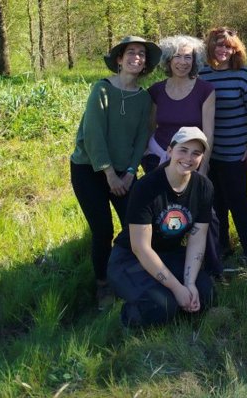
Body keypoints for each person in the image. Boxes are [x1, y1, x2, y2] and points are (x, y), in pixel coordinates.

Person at [70, 35, 161, 310]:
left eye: (142, 54)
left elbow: (141, 139)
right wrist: (110, 174)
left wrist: (130, 173)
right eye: (131, 52)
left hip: (125, 172)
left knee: (137, 226)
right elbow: (92, 135)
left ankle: (131, 274)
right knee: (102, 229)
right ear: (119, 59)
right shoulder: (102, 90)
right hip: (90, 169)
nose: (137, 57)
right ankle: (103, 284)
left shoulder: (144, 99)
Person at [107, 127, 215, 327]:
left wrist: (189, 284)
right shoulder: (146, 187)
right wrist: (177, 288)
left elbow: (197, 239)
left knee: (206, 293)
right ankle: (129, 312)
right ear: (170, 150)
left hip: (169, 253)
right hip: (130, 258)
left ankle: (169, 300)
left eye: (196, 153)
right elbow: (141, 248)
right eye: (183, 150)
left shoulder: (203, 187)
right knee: (163, 306)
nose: (189, 158)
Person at [198, 27, 247, 265]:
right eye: (218, 45)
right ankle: (223, 246)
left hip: (235, 152)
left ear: (235, 49)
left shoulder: (244, 75)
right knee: (216, 204)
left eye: (228, 46)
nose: (223, 50)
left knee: (239, 202)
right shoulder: (202, 75)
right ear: (210, 47)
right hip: (208, 154)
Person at [143, 36, 215, 175]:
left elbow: (209, 134)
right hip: (157, 158)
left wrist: (204, 167)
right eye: (177, 56)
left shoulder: (205, 90)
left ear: (194, 60)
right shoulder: (156, 90)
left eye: (188, 57)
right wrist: (144, 156)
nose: (183, 62)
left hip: (189, 161)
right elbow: (150, 128)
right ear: (168, 60)